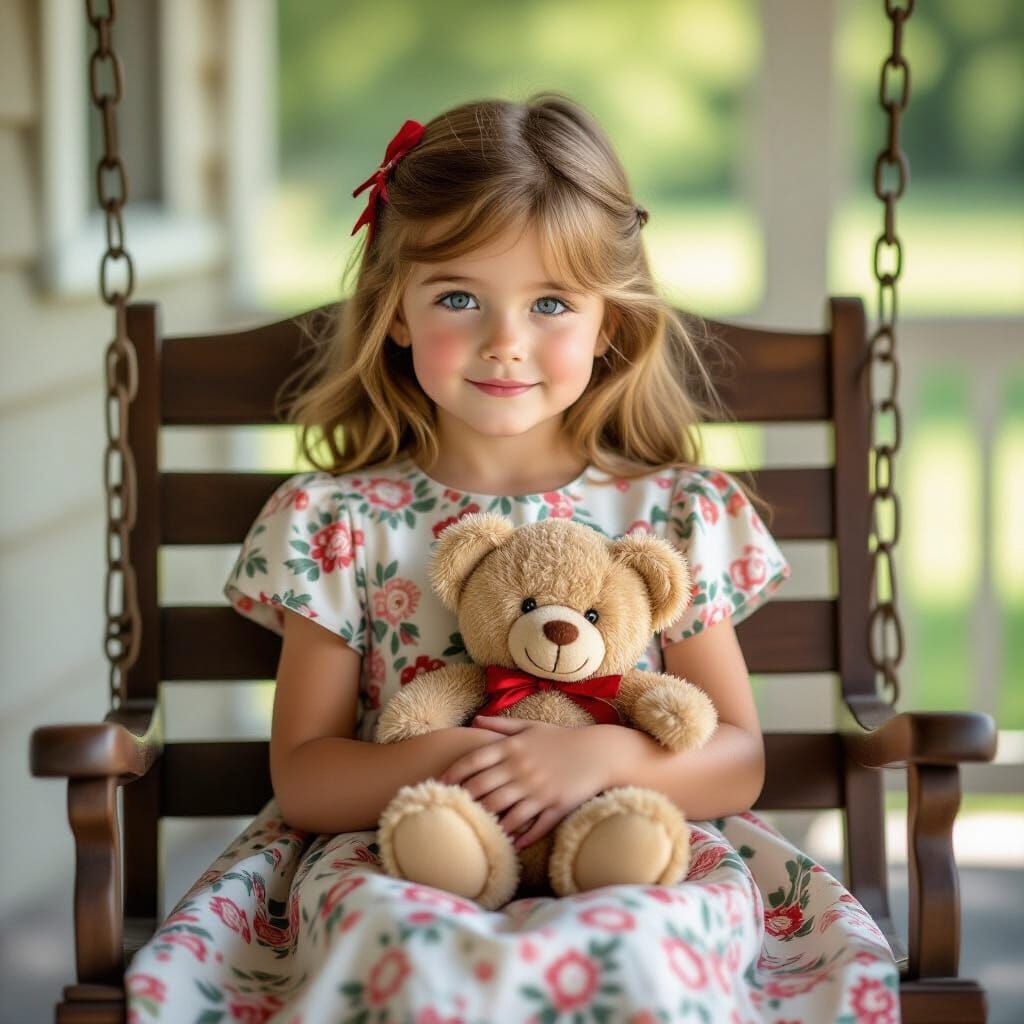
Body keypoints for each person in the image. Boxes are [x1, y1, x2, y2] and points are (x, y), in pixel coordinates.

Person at [125, 92, 900, 1022]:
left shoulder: (676, 509)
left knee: (639, 936)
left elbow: (734, 761)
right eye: (459, 296)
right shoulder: (334, 519)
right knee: (410, 946)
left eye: (551, 303)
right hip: (402, 852)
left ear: (608, 321)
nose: (505, 341)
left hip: (637, 845)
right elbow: (306, 774)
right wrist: (460, 760)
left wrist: (598, 760)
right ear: (396, 312)